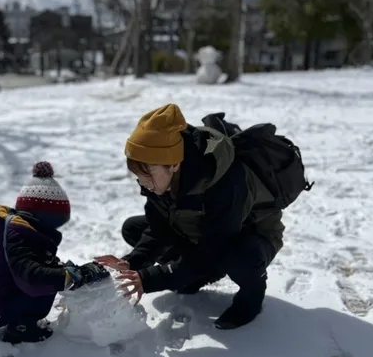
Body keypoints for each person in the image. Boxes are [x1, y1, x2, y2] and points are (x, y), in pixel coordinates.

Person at [96, 103, 287, 330]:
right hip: (202, 233)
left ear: (174, 164)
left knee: (239, 257)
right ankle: (197, 274)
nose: (143, 183)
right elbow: (159, 231)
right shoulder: (158, 181)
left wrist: (149, 279)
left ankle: (251, 299)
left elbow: (213, 248)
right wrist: (132, 262)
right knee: (133, 229)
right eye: (138, 176)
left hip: (249, 235)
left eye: (147, 174)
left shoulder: (226, 181)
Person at [0, 161, 109, 344]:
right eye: (56, 224)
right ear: (45, 219)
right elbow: (33, 278)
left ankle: (20, 317)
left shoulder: (10, 228)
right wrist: (75, 276)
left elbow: (29, 263)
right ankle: (22, 328)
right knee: (45, 282)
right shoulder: (20, 238)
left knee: (49, 270)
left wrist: (62, 270)